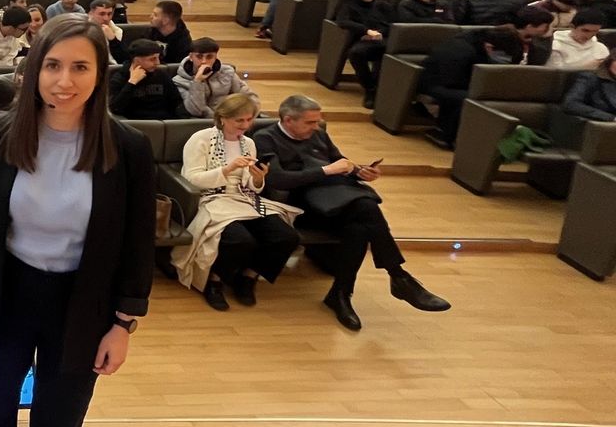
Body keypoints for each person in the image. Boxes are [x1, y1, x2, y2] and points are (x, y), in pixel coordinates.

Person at [0, 17, 153, 427]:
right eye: (52, 65)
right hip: (8, 288)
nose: (63, 80)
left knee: (61, 410)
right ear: (34, 68)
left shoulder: (127, 147)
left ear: (100, 75)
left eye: (79, 67)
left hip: (83, 300)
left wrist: (123, 324)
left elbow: (138, 243)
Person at [253, 95, 450, 332]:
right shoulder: (265, 138)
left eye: (318, 122)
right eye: (310, 122)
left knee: (359, 225)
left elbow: (341, 163)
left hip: (333, 202)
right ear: (288, 120)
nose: (316, 127)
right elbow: (278, 180)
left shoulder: (319, 135)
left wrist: (359, 172)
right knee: (365, 209)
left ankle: (343, 294)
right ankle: (396, 277)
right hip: (298, 208)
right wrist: (326, 170)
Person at [172, 93, 301, 311]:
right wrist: (227, 169)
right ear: (222, 118)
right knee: (241, 240)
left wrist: (258, 177)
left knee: (286, 236)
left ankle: (249, 276)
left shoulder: (248, 143)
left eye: (249, 120)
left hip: (245, 199)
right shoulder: (201, 139)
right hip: (213, 198)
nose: (245, 125)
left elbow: (252, 185)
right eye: (239, 120)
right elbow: (192, 178)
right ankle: (214, 281)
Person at [419, 26, 524, 149]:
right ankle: (445, 134)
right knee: (468, 98)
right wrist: (481, 88)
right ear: (489, 47)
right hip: (436, 82)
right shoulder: (460, 49)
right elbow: (451, 81)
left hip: (466, 81)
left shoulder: (505, 42)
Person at [174, 37, 259, 118]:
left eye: (209, 57)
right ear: (191, 57)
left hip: (231, 119)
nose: (204, 61)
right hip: (203, 123)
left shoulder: (227, 72)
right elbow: (196, 110)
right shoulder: (180, 81)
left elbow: (249, 96)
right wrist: (197, 81)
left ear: (215, 57)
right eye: (199, 56)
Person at [108, 39, 186, 119]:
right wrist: (131, 83)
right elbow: (115, 109)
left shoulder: (162, 75)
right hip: (136, 125)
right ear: (136, 60)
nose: (158, 63)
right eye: (152, 59)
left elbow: (177, 103)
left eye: (158, 58)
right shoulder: (120, 78)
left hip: (165, 122)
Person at [564, 50, 616, 120]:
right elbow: (570, 104)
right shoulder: (590, 78)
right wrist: (611, 118)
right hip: (600, 124)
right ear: (610, 61)